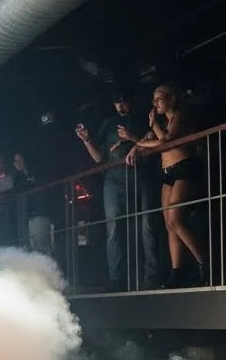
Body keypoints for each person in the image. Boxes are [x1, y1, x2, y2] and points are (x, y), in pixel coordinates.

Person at [75, 90, 161, 290]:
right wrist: (87, 140)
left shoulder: (143, 117)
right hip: (114, 178)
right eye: (117, 102)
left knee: (148, 225)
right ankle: (117, 278)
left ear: (131, 100)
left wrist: (132, 139)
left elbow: (156, 140)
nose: (120, 106)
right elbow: (98, 158)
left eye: (124, 101)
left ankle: (152, 277)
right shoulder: (109, 122)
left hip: (142, 174)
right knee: (113, 228)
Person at [125, 85, 207, 287]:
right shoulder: (164, 123)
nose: (156, 104)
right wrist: (136, 146)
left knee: (177, 220)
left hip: (184, 168)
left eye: (159, 99)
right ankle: (177, 272)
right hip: (167, 172)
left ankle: (205, 263)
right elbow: (154, 142)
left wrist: (143, 135)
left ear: (171, 98)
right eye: (153, 100)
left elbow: (168, 142)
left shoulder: (180, 116)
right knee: (169, 225)